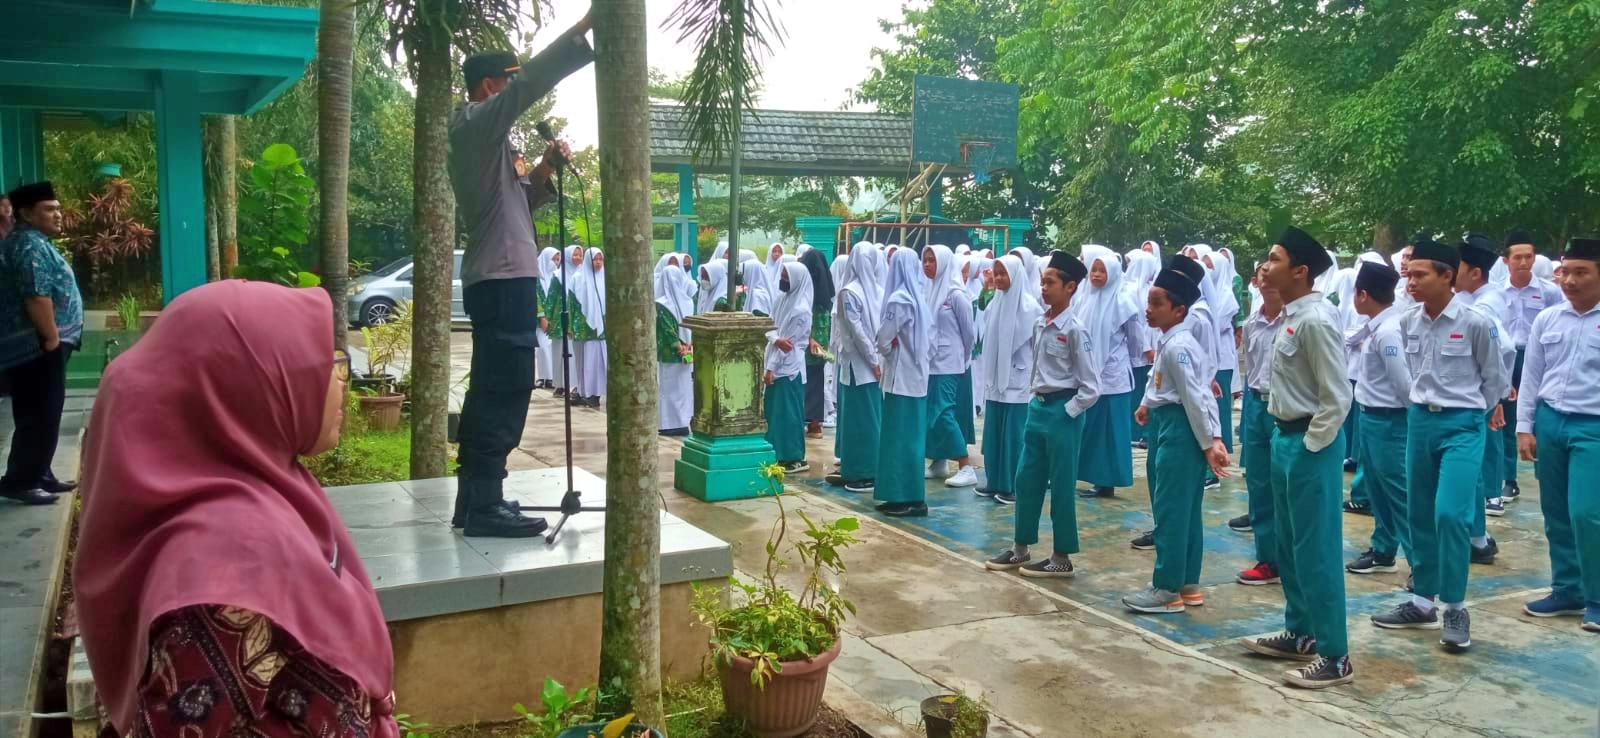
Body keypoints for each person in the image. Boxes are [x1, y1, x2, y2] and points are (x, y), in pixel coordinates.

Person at [74, 281, 396, 738]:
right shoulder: (229, 566)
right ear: (254, 388)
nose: (340, 380)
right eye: (326, 365)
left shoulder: (264, 493)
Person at [447, 17, 592, 537]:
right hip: (504, 279)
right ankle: (487, 505)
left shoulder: (483, 141)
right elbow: (531, 83)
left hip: (502, 275)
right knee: (505, 388)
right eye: (506, 84)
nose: (512, 92)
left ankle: (473, 501)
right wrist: (582, 30)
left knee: (491, 387)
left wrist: (545, 172)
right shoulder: (477, 122)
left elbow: (515, 205)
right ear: (491, 86)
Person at [1369, 239, 1510, 652]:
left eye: (1420, 274)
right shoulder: (1408, 322)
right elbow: (1413, 374)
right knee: (1418, 514)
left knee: (1451, 514)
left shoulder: (1476, 322)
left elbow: (1495, 380)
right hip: (1420, 422)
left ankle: (1454, 607)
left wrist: (1471, 414)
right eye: (1408, 274)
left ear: (1448, 276)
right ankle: (1420, 600)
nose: (1410, 282)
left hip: (1463, 425)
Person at [1241, 226, 1355, 689]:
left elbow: (1338, 396)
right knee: (1289, 544)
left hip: (1310, 443)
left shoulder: (1316, 321)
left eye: (1274, 258)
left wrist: (1311, 444)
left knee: (1317, 550)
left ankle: (1336, 654)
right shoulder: (1289, 316)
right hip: (1282, 438)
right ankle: (1301, 631)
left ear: (1301, 271)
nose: (1265, 266)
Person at [986, 252, 1100, 577]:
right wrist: (1035, 401)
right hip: (1037, 409)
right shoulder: (1040, 323)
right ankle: (1020, 548)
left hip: (1064, 413)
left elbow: (1091, 386)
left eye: (1051, 283)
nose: (1043, 288)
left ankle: (1061, 556)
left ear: (1070, 287)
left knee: (1062, 486)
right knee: (1026, 480)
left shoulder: (1076, 330)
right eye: (1042, 281)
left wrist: (1069, 411)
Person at [1125, 259, 1227, 610]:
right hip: (1167, 423)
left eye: (1157, 304)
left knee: (1170, 510)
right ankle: (1188, 583)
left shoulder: (1179, 347)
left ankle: (1166, 589)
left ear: (1179, 310)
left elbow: (1196, 397)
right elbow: (1168, 384)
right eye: (1149, 302)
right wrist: (1147, 404)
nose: (1149, 310)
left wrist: (1209, 441)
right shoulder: (1171, 341)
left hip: (1179, 430)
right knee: (1185, 510)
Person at [1517, 237, 1600, 631]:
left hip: (1593, 427)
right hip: (1551, 423)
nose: (1569, 280)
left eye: (1581, 272)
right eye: (1566, 271)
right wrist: (1525, 428)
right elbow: (1531, 377)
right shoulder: (1548, 319)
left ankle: (1596, 597)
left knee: (1587, 513)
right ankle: (1567, 589)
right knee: (1556, 513)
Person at [0, 182, 82, 505]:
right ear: (26, 214)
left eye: (58, 208)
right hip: (37, 345)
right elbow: (36, 294)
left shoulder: (30, 241)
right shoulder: (28, 246)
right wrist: (50, 339)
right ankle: (21, 479)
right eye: (50, 209)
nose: (58, 215)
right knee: (40, 411)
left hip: (39, 344)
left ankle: (40, 472)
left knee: (41, 411)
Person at [1342, 262, 1414, 577]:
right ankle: (1383, 549)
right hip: (1372, 420)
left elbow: (1404, 385)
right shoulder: (1377, 326)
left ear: (1363, 295)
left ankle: (1421, 566)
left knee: (1399, 495)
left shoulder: (1387, 333)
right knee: (1379, 490)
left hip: (1390, 421)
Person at [1454, 235, 1516, 529]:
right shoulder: (1475, 296)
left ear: (1475, 273)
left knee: (1487, 443)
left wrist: (1498, 396)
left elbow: (1504, 348)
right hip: (1483, 387)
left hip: (1481, 389)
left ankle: (1493, 495)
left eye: (1457, 266)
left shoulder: (1486, 305)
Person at [1499, 231, 1562, 504]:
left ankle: (1545, 470)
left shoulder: (1550, 292)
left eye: (1529, 257)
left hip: (1539, 358)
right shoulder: (1498, 292)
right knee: (1506, 419)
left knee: (1539, 415)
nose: (1524, 262)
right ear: (1506, 260)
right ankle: (1508, 478)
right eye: (1518, 257)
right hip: (1508, 358)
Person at [1076, 246, 1145, 499]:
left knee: (1111, 432)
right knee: (1093, 429)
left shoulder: (1122, 301)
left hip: (1113, 375)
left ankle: (1108, 481)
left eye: (1101, 270)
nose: (1095, 274)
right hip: (1089, 373)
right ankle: (1095, 477)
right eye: (1093, 269)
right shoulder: (1086, 297)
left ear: (1113, 273)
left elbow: (1136, 338)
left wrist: (1134, 358)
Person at [973, 255, 1040, 505]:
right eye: (996, 273)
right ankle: (994, 481)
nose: (999, 278)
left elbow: (1038, 347)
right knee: (994, 435)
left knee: (1014, 436)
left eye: (1004, 274)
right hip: (995, 381)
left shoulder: (1031, 308)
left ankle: (1013, 485)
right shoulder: (994, 304)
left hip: (1019, 381)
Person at [1232, 264, 1284, 587]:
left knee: (1286, 486)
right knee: (1259, 483)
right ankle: (1268, 559)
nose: (1264, 276)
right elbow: (1251, 365)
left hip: (1284, 408)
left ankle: (1291, 559)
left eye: (1272, 270)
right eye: (1261, 273)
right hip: (1256, 403)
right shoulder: (1253, 322)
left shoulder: (1296, 320)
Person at [874, 248, 932, 517]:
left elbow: (883, 339)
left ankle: (903, 497)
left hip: (900, 379)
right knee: (912, 439)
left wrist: (886, 346)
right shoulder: (918, 298)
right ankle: (911, 494)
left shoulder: (898, 300)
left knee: (898, 439)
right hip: (916, 377)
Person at [826, 245, 884, 492]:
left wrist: (873, 361)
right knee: (855, 421)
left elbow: (860, 333)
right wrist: (876, 361)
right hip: (863, 366)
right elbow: (859, 332)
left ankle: (866, 471)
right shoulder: (859, 292)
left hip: (864, 368)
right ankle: (852, 468)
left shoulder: (854, 292)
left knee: (865, 421)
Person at [922, 245, 979, 488]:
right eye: (924, 260)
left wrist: (961, 359)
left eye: (932, 261)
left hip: (949, 363)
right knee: (931, 413)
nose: (927, 265)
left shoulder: (956, 294)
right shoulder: (929, 290)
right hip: (931, 362)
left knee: (944, 413)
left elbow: (970, 333)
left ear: (944, 263)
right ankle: (939, 461)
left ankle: (965, 466)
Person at [763, 262, 814, 473]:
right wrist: (775, 339)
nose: (782, 279)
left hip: (788, 369)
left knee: (789, 413)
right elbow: (769, 327)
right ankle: (776, 452)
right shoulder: (781, 300)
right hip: (775, 365)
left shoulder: (801, 310)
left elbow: (788, 345)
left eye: (786, 275)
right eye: (782, 274)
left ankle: (792, 457)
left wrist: (771, 368)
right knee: (775, 412)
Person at [1125, 248, 1161, 450]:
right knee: (1137, 390)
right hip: (1139, 349)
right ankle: (1136, 432)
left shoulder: (1148, 289)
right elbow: (1137, 324)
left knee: (1143, 389)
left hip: (1147, 349)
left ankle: (1142, 432)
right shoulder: (1131, 289)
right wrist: (1146, 347)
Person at [656, 260, 696, 437]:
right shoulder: (668, 303)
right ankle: (674, 422)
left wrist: (683, 346)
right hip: (677, 351)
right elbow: (668, 328)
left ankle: (677, 422)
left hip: (679, 351)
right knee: (674, 387)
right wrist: (684, 346)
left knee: (677, 387)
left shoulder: (681, 302)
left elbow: (675, 327)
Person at [800, 249, 835, 439]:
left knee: (806, 382)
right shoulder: (825, 286)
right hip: (821, 345)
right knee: (817, 381)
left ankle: (809, 421)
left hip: (806, 343)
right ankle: (815, 423)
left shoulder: (804, 286)